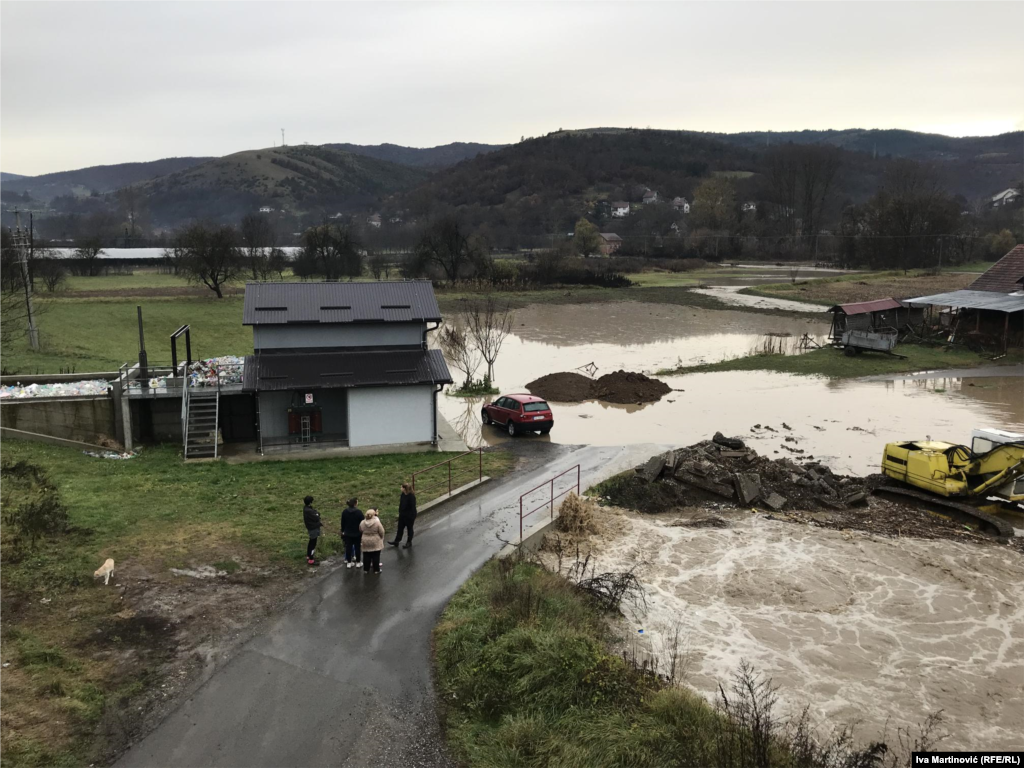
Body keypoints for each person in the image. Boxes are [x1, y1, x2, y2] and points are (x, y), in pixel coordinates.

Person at [389, 483, 417, 549]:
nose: (400, 488)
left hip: (409, 516)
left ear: (404, 489)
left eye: (401, 487)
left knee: (409, 529)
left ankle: (409, 542)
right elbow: (401, 504)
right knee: (400, 528)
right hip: (402, 515)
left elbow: (413, 507)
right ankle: (396, 541)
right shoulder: (403, 495)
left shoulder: (411, 497)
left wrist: (412, 516)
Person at [340, 497, 364, 569]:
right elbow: (362, 522)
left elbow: (342, 523)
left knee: (348, 547)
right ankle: (358, 562)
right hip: (357, 533)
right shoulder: (359, 512)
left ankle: (349, 562)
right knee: (357, 548)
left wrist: (343, 531)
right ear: (355, 503)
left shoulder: (344, 512)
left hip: (347, 533)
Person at [359, 508, 385, 574]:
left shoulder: (362, 522)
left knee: (366, 555)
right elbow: (381, 531)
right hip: (375, 540)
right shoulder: (377, 523)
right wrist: (381, 537)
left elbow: (360, 530)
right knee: (376, 555)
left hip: (365, 540)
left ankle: (366, 569)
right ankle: (376, 570)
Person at [302, 495, 321, 565]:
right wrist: (317, 514)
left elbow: (316, 513)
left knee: (311, 542)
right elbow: (317, 516)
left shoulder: (306, 508)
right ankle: (311, 559)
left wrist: (316, 514)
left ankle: (308, 555)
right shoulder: (309, 510)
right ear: (310, 502)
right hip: (313, 528)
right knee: (313, 543)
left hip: (311, 527)